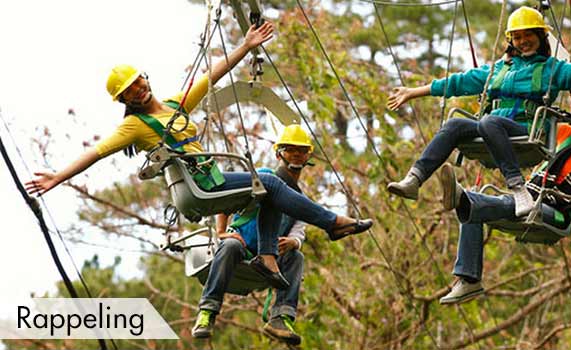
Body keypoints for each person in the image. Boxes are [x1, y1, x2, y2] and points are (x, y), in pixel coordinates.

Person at [24, 22, 372, 299]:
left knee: (268, 189)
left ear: (146, 78)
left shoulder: (176, 106)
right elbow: (97, 152)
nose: (138, 92)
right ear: (124, 100)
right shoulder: (134, 126)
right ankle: (331, 223)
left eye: (138, 83)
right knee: (268, 181)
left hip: (211, 179)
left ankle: (271, 257)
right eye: (129, 92)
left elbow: (211, 76)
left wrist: (246, 46)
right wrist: (58, 177)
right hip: (201, 187)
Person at [386, 6, 571, 217]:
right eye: (517, 37)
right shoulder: (499, 70)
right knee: (454, 125)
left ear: (541, 37)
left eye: (528, 35)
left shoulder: (553, 70)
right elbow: (458, 82)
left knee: (489, 122)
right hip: (492, 128)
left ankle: (519, 190)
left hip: (526, 131)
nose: (523, 41)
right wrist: (413, 92)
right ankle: (415, 179)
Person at [437, 106, 571, 304]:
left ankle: (463, 197)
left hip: (557, 215)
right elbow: (532, 139)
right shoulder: (568, 135)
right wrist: (493, 125)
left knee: (505, 203)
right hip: (529, 196)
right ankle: (470, 278)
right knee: (476, 209)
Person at [192, 125, 314, 344]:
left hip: (270, 260)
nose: (296, 154)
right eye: (290, 149)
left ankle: (281, 317)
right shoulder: (264, 178)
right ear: (279, 153)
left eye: (301, 150)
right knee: (229, 247)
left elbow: (299, 230)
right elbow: (228, 200)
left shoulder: (299, 198)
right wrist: (221, 232)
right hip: (242, 247)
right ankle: (207, 312)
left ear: (308, 155)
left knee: (297, 257)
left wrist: (293, 242)